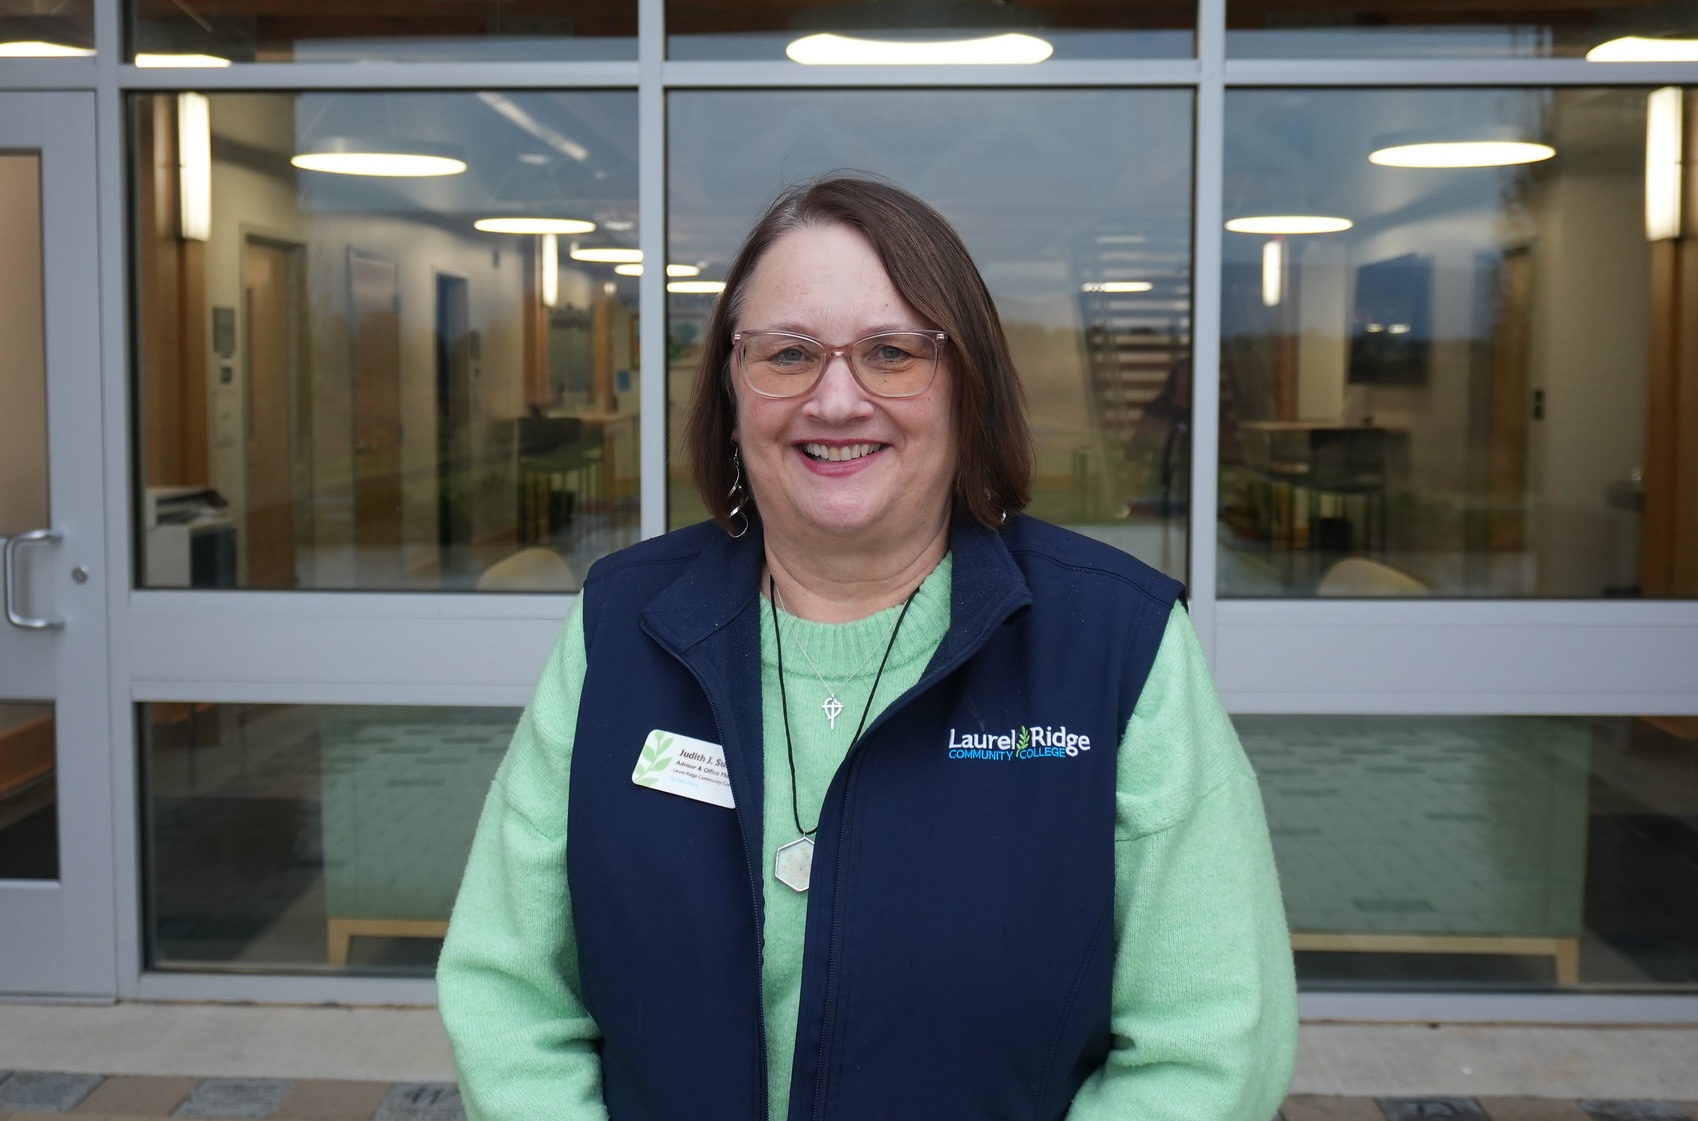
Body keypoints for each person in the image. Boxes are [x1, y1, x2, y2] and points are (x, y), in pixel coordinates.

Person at [437, 175, 1297, 1121]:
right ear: (731, 385)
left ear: (968, 385)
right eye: (789, 353)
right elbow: (508, 994)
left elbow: (1212, 1039)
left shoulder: (1115, 647)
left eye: (893, 353)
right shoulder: (621, 628)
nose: (836, 400)